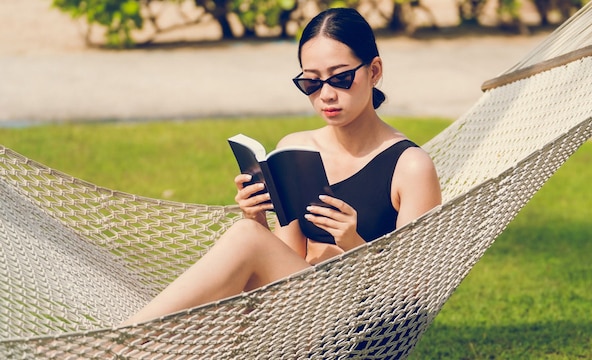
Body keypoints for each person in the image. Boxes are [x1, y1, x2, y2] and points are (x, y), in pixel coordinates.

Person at [121, 7, 441, 326]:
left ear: (374, 71)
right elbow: (285, 258)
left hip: (364, 328)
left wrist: (352, 242)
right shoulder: (295, 150)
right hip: (292, 319)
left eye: (341, 78)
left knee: (245, 238)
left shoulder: (409, 167)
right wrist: (257, 216)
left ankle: (116, 341)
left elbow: (414, 292)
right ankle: (122, 347)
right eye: (311, 83)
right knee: (247, 235)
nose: (326, 95)